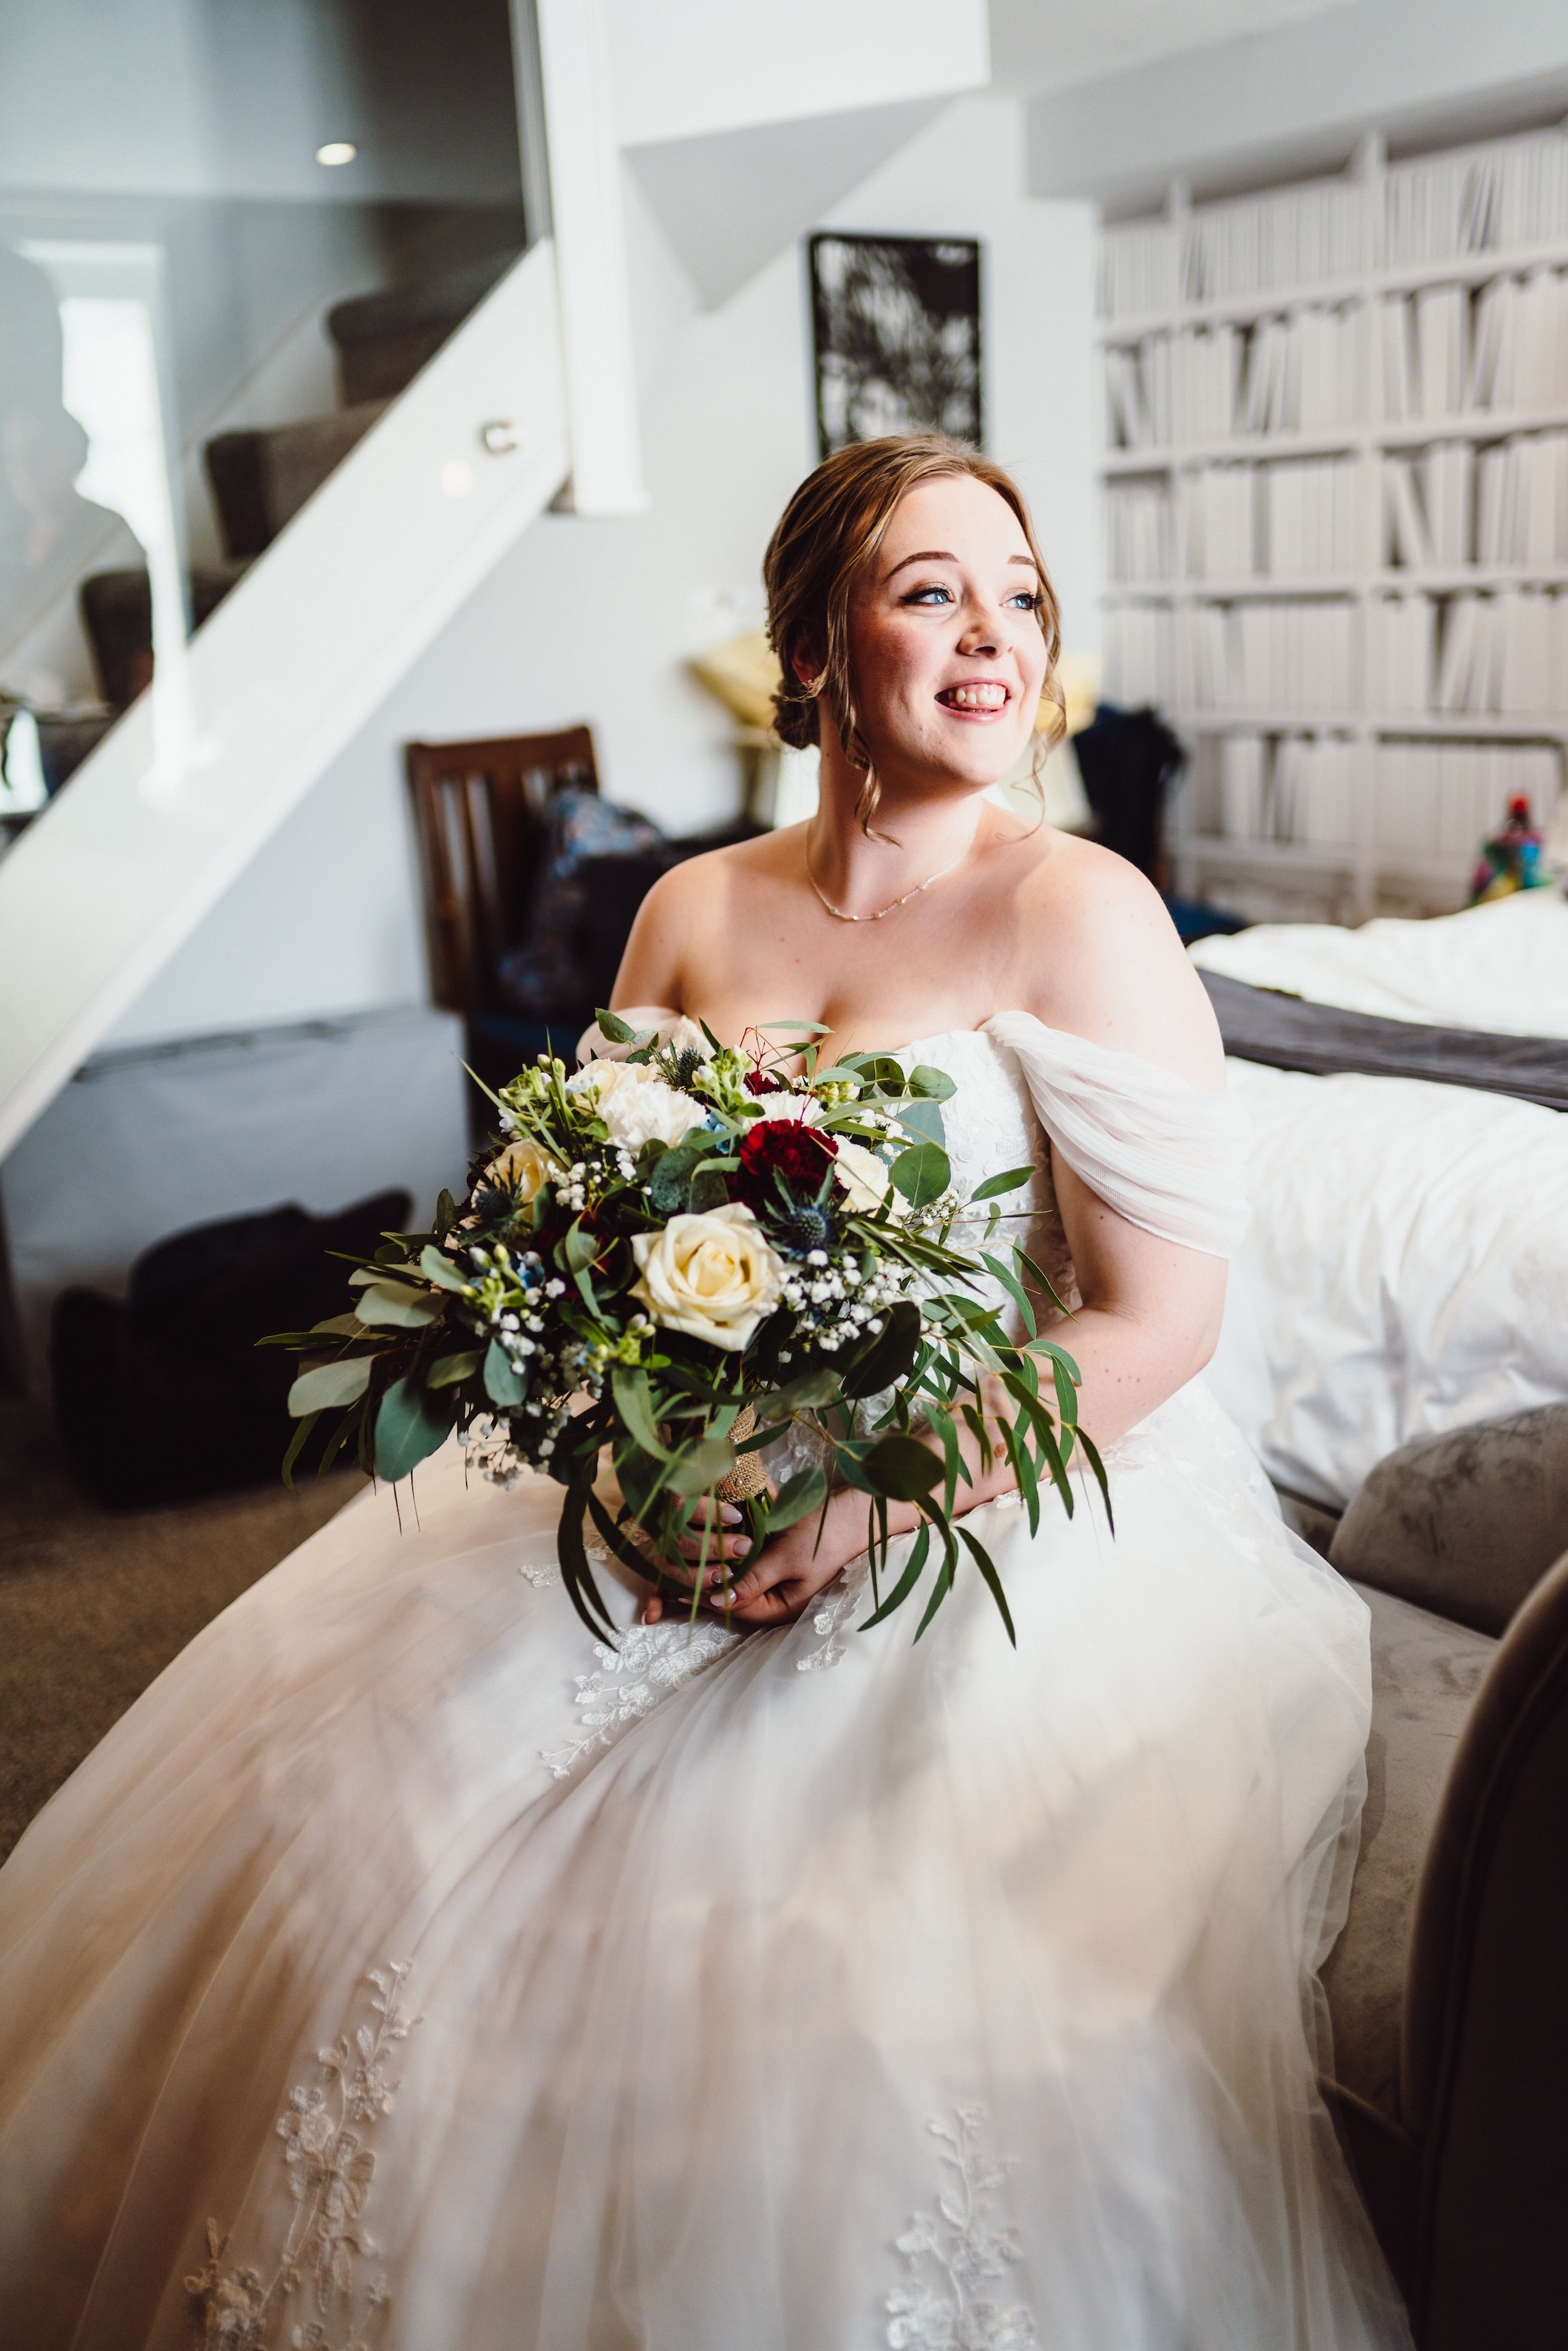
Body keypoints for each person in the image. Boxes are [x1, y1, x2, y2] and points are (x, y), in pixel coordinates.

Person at [0, 437, 1411, 2350]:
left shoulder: (1077, 911)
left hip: (972, 1482)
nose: (992, 639)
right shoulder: (687, 910)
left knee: (813, 1962)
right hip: (666, 1463)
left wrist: (869, 1501)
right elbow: (558, 1238)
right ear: (815, 650)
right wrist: (629, 1455)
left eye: (1018, 596)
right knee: (346, 1824)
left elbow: (1153, 1321)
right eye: (930, 592)